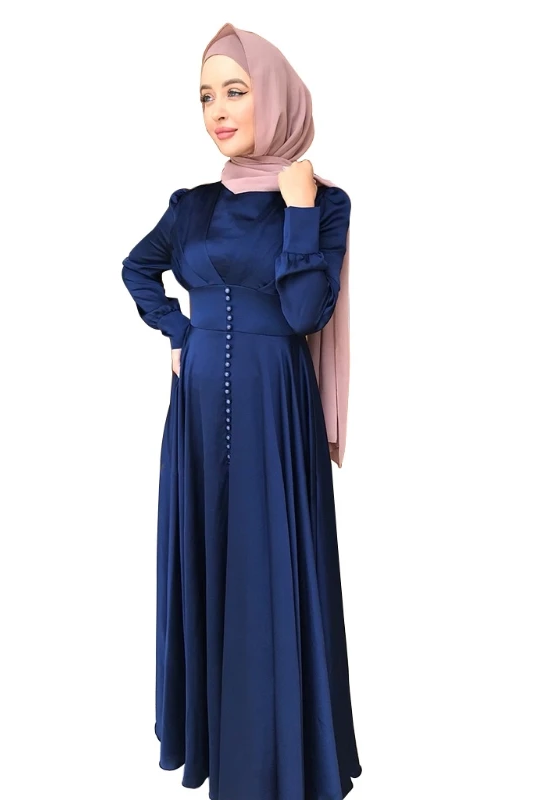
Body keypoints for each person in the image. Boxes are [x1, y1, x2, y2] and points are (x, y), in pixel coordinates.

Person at [121, 22, 362, 800]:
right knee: (209, 557)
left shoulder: (322, 202)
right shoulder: (190, 207)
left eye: (235, 90)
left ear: (277, 97)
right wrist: (177, 329)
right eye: (205, 96)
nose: (217, 110)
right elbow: (138, 267)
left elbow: (304, 312)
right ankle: (218, 746)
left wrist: (299, 209)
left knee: (271, 571)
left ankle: (283, 762)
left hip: (275, 412)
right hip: (195, 416)